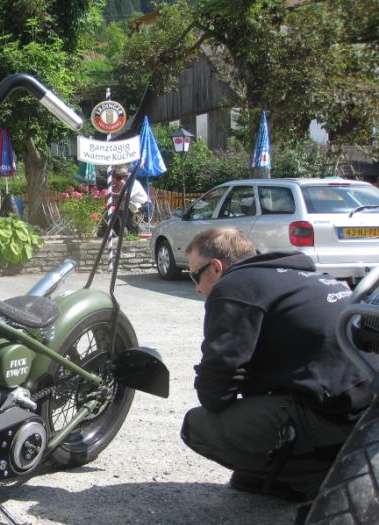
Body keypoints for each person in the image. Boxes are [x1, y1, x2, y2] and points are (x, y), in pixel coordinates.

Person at [181, 227, 373, 503]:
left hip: (340, 415)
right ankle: (287, 470)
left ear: (215, 267)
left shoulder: (234, 286)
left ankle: (317, 479)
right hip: (366, 405)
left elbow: (216, 388)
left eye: (195, 276)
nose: (197, 288)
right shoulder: (304, 276)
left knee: (198, 426)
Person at [109, 167, 147, 235]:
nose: (120, 179)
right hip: (132, 204)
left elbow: (126, 195)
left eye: (121, 178)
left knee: (125, 213)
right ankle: (119, 233)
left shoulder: (134, 183)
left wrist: (112, 194)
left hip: (142, 204)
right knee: (116, 213)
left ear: (125, 177)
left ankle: (134, 232)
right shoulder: (126, 183)